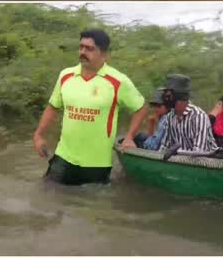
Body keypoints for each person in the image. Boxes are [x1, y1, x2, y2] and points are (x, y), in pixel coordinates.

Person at [33, 29, 147, 185]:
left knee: (91, 206)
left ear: (104, 53)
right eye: (81, 47)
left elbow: (140, 108)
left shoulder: (118, 81)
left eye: (89, 48)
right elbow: (53, 106)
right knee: (46, 196)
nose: (83, 52)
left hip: (96, 164)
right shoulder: (66, 76)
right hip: (63, 157)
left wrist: (129, 138)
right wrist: (39, 135)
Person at [158, 74, 218, 155]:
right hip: (182, 162)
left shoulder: (198, 116)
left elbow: (198, 152)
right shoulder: (170, 117)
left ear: (178, 94)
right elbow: (165, 146)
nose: (164, 97)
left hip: (206, 162)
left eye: (167, 93)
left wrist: (175, 152)